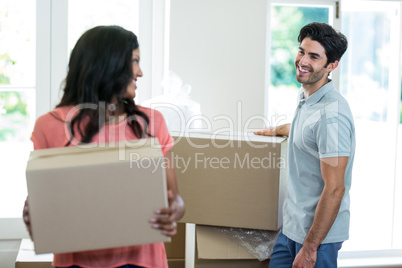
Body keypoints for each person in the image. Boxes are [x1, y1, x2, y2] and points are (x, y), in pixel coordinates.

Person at [22, 25, 185, 268]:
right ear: (108, 64)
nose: (140, 73)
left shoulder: (151, 122)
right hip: (75, 263)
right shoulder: (50, 125)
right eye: (135, 61)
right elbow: (46, 200)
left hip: (143, 262)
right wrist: (33, 211)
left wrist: (175, 209)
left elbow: (175, 198)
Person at [255, 22, 355, 267]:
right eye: (301, 51)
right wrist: (276, 130)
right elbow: (306, 131)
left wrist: (311, 247)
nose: (303, 61)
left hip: (317, 239)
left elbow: (335, 189)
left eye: (314, 56)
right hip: (292, 229)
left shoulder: (332, 115)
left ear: (332, 65)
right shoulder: (310, 99)